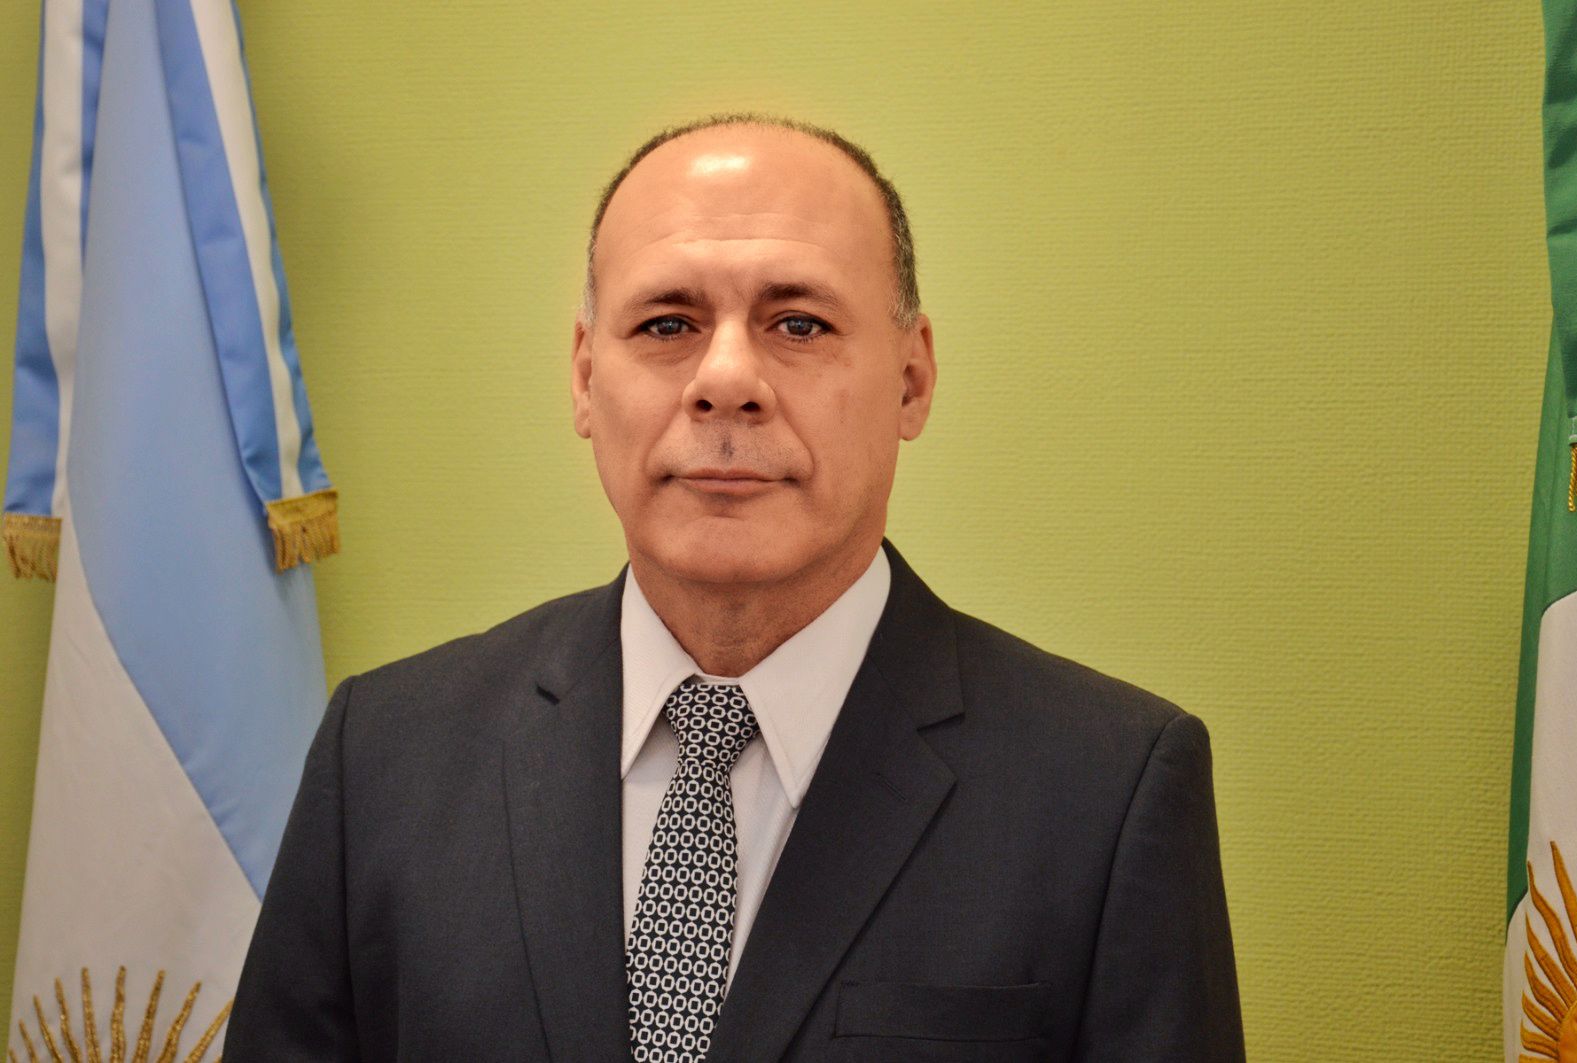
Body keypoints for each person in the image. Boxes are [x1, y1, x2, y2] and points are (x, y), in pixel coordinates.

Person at [224, 114, 1245, 1062]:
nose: (725, 381)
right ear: (584, 376)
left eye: (798, 324)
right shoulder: (384, 755)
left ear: (912, 378)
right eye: (666, 324)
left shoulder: (1108, 791)